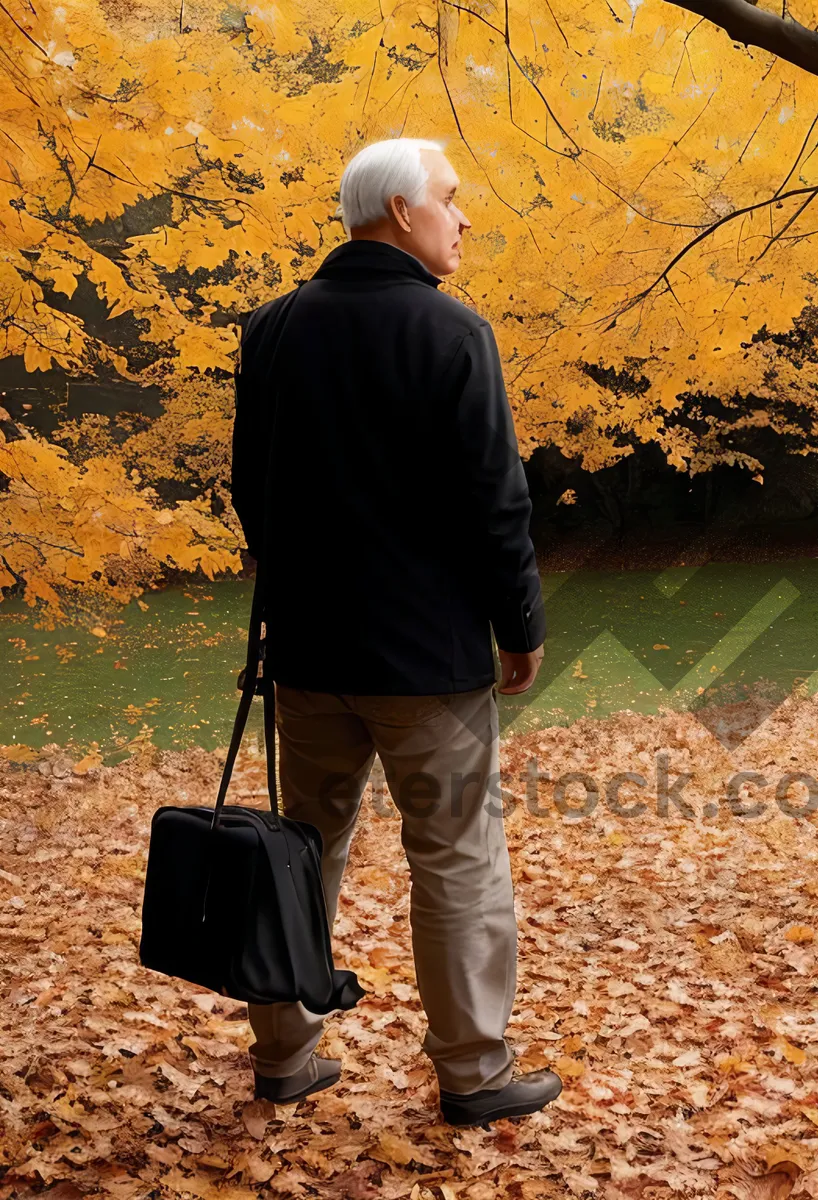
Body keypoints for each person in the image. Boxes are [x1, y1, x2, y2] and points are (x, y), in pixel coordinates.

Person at [230, 137, 560, 1128]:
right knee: (456, 859)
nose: (462, 221)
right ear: (400, 212)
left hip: (309, 655)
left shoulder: (272, 330)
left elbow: (254, 493)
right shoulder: (454, 335)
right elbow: (496, 506)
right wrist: (521, 627)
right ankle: (473, 1073)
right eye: (451, 202)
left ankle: (284, 1055)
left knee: (303, 852)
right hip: (431, 664)